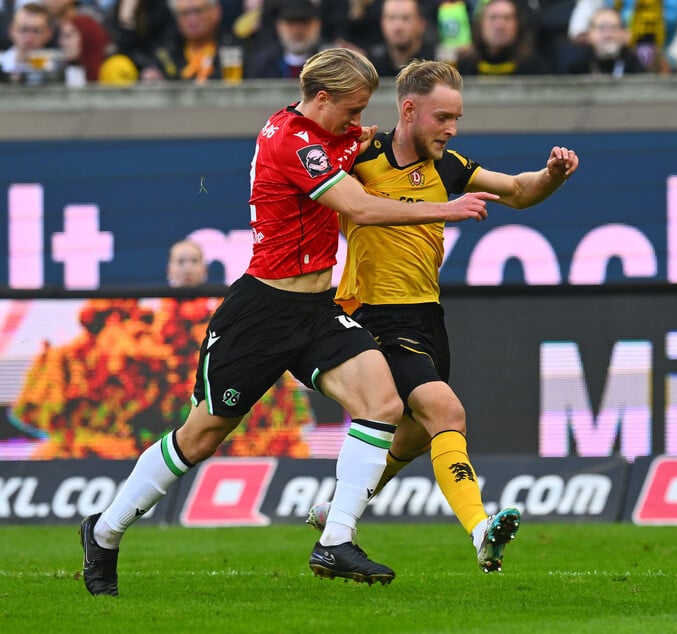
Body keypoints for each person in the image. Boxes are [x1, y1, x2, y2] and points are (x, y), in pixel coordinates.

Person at [78, 47, 497, 596]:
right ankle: (105, 532)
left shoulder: (330, 134)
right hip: (262, 312)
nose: (356, 120)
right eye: (350, 109)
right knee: (201, 436)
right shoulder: (290, 140)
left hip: (318, 312)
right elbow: (362, 206)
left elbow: (361, 143)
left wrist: (378, 134)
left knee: (384, 404)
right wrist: (446, 209)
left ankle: (336, 539)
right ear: (321, 98)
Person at [307, 59, 579, 573]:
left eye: (457, 118)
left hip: (428, 316)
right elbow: (310, 175)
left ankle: (337, 508)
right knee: (446, 413)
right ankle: (481, 531)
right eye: (442, 117)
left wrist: (552, 175)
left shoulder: (447, 165)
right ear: (408, 110)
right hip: (375, 316)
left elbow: (518, 191)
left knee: (412, 434)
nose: (452, 128)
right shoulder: (361, 155)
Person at [455, 0, 551, 75]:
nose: (500, 25)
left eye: (507, 18)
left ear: (518, 25)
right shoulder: (465, 66)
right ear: (480, 25)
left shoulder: (534, 66)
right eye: (493, 18)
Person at [244, 0, 327, 78]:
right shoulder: (260, 66)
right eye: (291, 23)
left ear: (317, 25)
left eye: (305, 23)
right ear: (279, 27)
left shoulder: (329, 64)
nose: (298, 29)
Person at [563, 6, 648, 75]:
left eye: (613, 27)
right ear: (590, 34)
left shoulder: (634, 63)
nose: (608, 34)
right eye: (601, 28)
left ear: (623, 33)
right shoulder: (578, 65)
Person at [365, 0, 434, 76]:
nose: (398, 27)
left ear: (421, 24)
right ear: (382, 24)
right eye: (391, 18)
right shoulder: (372, 66)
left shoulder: (435, 64)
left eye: (405, 18)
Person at [0, 2, 55, 81]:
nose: (29, 38)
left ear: (48, 33)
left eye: (36, 31)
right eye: (24, 30)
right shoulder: (1, 63)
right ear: (11, 30)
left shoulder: (59, 69)